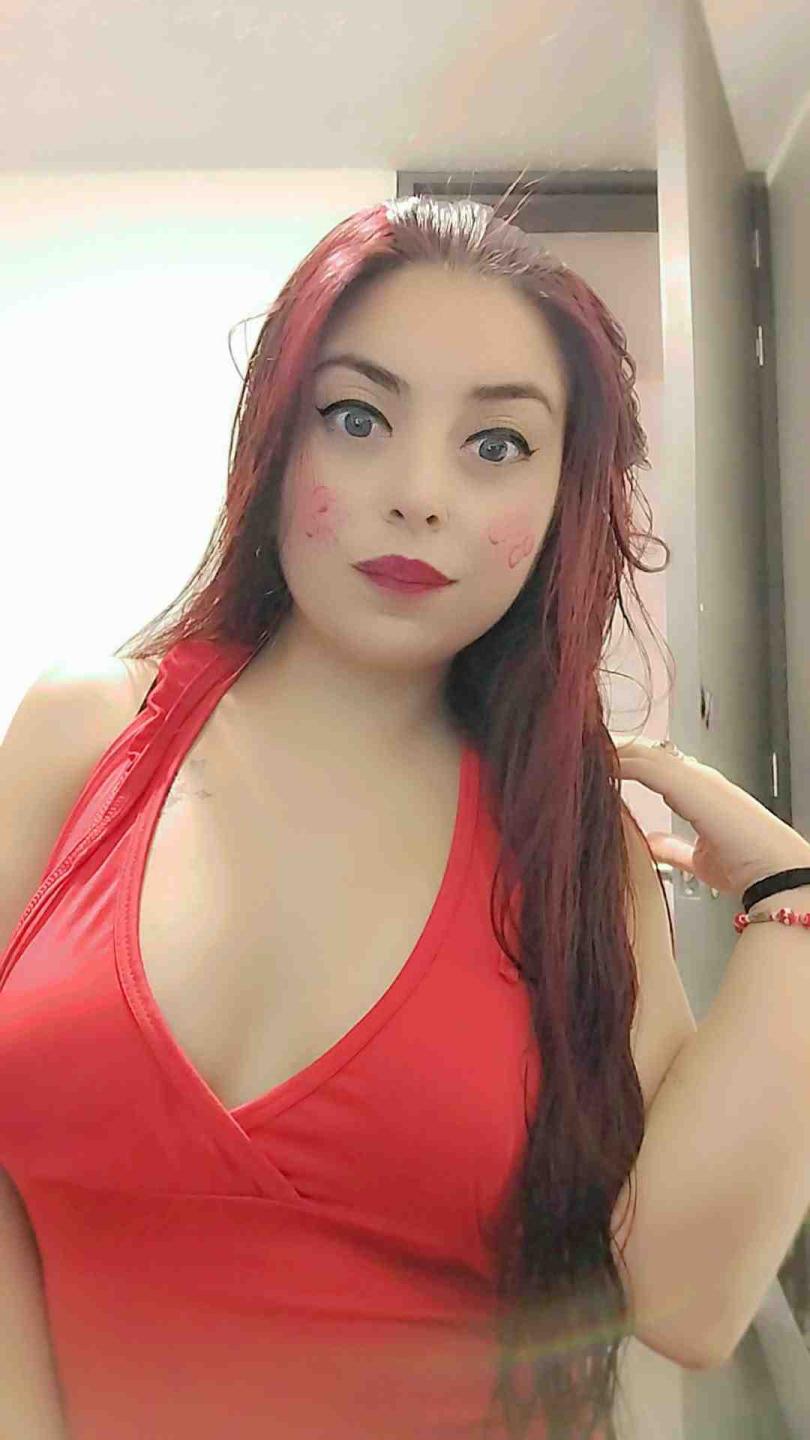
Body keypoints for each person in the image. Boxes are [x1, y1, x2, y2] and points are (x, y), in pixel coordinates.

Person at [0, 195, 722, 1439]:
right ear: (276, 444)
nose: (418, 495)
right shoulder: (83, 737)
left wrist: (792, 906)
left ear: (563, 499)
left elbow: (689, 1302)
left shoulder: (573, 850)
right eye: (357, 419)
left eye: (496, 444)